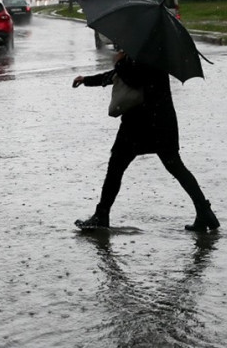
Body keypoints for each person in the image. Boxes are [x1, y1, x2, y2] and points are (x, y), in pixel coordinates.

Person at [72, 50, 219, 232]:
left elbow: (133, 77)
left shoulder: (149, 54)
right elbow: (119, 75)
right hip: (159, 122)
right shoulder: (145, 50)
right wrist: (87, 80)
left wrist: (119, 61)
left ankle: (101, 215)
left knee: (117, 165)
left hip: (143, 122)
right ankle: (204, 211)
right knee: (174, 166)